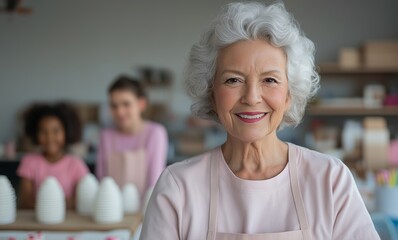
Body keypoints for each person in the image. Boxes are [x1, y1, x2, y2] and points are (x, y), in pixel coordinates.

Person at [141, 2, 380, 240]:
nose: (252, 97)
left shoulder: (330, 180)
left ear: (289, 94)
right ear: (212, 93)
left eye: (270, 80)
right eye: (233, 80)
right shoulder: (177, 188)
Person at [96, 75, 168, 201]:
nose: (120, 112)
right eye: (114, 106)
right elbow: (101, 179)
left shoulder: (155, 133)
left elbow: (155, 182)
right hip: (111, 211)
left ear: (141, 104)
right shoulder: (105, 136)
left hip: (145, 212)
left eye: (126, 104)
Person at [18, 103, 89, 209]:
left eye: (56, 131)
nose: (50, 137)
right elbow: (24, 200)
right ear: (35, 134)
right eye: (43, 131)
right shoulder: (29, 161)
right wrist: (61, 203)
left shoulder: (76, 164)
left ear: (66, 132)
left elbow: (82, 200)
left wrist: (45, 203)